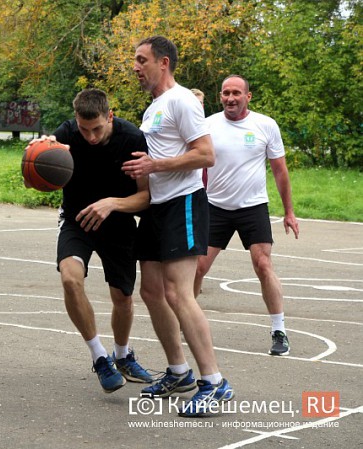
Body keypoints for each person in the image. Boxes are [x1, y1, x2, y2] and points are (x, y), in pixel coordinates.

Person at [123, 35, 234, 417]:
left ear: (163, 62)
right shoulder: (154, 107)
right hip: (156, 207)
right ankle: (179, 370)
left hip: (183, 205)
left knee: (178, 293)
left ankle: (214, 381)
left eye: (141, 60)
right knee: (152, 291)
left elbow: (206, 155)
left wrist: (155, 166)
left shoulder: (182, 100)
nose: (135, 67)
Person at [33, 88, 152, 393]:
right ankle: (100, 357)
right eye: (84, 129)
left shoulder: (132, 138)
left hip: (119, 223)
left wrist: (111, 203)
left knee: (123, 297)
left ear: (110, 116)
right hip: (78, 221)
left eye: (97, 128)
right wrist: (36, 156)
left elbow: (145, 197)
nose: (91, 137)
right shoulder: (67, 133)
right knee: (71, 280)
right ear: (75, 120)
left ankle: (122, 355)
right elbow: (40, 164)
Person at [194, 74, 299, 356]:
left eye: (236, 93)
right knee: (197, 268)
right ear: (220, 97)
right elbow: (197, 165)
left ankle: (279, 330)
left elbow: (280, 170)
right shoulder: (208, 125)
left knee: (263, 264)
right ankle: (187, 320)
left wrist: (288, 211)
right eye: (226, 93)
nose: (230, 98)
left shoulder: (265, 125)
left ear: (247, 97)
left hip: (253, 207)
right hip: (215, 207)